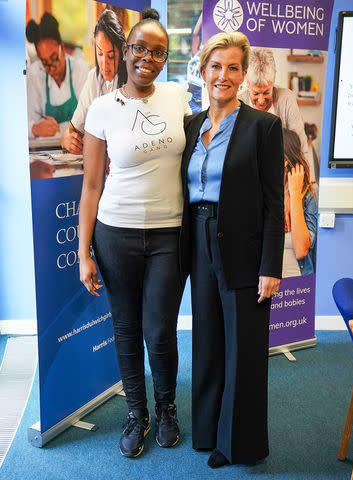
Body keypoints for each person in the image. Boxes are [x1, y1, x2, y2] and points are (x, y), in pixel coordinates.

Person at [79, 9, 191, 459]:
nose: (148, 58)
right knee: (126, 328)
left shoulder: (178, 98)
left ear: (165, 59)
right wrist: (83, 252)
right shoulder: (101, 108)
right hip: (115, 234)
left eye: (158, 52)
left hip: (169, 234)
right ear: (126, 52)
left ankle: (167, 409)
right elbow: (90, 186)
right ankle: (137, 413)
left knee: (160, 330)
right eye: (140, 48)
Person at [180, 32, 284, 468]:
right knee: (207, 341)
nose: (224, 75)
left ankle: (237, 443)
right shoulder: (192, 126)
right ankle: (206, 432)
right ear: (203, 71)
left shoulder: (264, 126)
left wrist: (270, 266)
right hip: (198, 240)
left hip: (243, 244)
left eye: (233, 68)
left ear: (243, 75)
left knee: (242, 346)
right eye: (216, 66)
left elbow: (274, 203)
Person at [61, 9, 127, 154]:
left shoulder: (131, 80)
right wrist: (67, 139)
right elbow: (72, 130)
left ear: (122, 52)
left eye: (110, 56)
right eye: (100, 54)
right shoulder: (93, 78)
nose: (104, 63)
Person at [26, 13, 88, 138]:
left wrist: (58, 129)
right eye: (45, 62)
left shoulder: (80, 69)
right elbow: (26, 122)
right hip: (45, 150)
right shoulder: (34, 74)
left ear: (62, 47)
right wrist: (35, 128)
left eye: (54, 58)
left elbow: (87, 119)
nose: (51, 67)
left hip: (77, 146)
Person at [239, 47, 309, 156]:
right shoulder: (239, 104)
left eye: (266, 92)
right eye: (256, 93)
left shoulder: (287, 98)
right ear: (247, 83)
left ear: (273, 81)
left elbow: (301, 147)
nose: (261, 101)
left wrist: (302, 170)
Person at [282, 128, 318, 277]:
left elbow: (301, 250)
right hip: (262, 286)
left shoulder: (310, 194)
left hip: (297, 289)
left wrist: (295, 195)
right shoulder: (259, 192)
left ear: (285, 161)